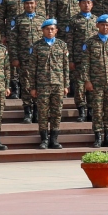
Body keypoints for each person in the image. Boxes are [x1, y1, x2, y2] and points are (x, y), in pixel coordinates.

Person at [83, 14, 108, 148]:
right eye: (102, 24)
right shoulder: (90, 42)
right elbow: (85, 64)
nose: (105, 27)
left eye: (107, 25)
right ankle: (98, 137)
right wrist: (87, 81)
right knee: (97, 110)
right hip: (96, 82)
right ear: (97, 26)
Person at [28, 19, 69, 150]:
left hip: (58, 83)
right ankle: (44, 139)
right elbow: (32, 68)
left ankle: (54, 139)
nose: (50, 31)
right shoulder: (37, 46)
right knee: (43, 112)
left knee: (56, 112)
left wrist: (66, 85)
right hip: (42, 84)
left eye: (52, 29)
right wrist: (33, 87)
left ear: (56, 30)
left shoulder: (62, 45)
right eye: (47, 29)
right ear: (43, 31)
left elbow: (65, 67)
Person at [9, 0, 46, 124]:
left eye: (31, 3)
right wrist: (14, 57)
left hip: (40, 59)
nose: (29, 5)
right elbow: (13, 41)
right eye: (27, 3)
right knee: (25, 85)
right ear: (23, 5)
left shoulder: (42, 20)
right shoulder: (18, 20)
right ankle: (27, 112)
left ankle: (37, 111)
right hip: (24, 58)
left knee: (39, 84)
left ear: (36, 4)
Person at [67, 0, 97, 122]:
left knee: (92, 85)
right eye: (84, 3)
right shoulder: (73, 21)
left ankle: (91, 110)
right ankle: (81, 110)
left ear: (92, 4)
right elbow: (69, 42)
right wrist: (71, 59)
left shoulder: (97, 20)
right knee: (79, 87)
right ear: (79, 5)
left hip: (94, 60)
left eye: (89, 3)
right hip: (79, 59)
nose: (86, 5)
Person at [0, 0, 27, 99]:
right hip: (12, 33)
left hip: (26, 33)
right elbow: (1, 18)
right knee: (13, 60)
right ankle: (14, 88)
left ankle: (24, 86)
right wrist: (3, 34)